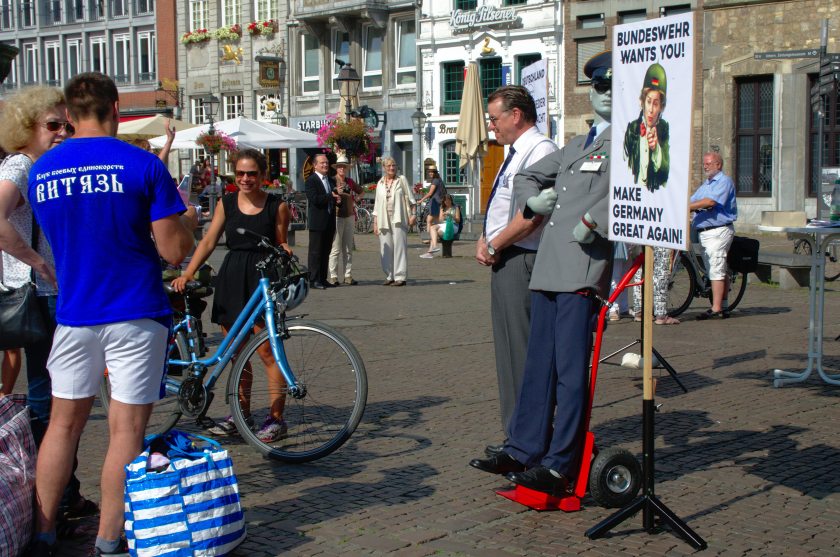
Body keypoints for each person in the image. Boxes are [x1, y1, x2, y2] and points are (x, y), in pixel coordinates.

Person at [27, 72, 197, 557]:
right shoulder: (142, 165)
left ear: (69, 113)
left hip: (75, 311)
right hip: (134, 310)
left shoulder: (44, 170)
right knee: (125, 430)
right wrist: (185, 223)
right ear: (115, 108)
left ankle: (42, 532)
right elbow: (171, 252)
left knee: (63, 425)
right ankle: (107, 538)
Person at [469, 51, 614, 496]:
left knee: (570, 372)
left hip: (581, 269)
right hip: (550, 267)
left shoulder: (630, 145)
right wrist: (531, 203)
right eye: (596, 87)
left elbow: (639, 195)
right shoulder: (579, 144)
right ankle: (523, 447)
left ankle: (559, 463)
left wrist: (595, 222)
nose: (601, 95)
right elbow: (529, 176)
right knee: (537, 367)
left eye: (609, 88)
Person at [0, 86, 99, 532]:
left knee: (61, 393)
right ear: (27, 128)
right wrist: (38, 262)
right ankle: (53, 501)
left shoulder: (43, 167)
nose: (62, 132)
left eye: (66, 125)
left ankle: (64, 493)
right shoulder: (20, 165)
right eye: (52, 125)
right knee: (50, 396)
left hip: (50, 293)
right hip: (39, 295)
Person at [172, 148, 291, 440]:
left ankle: (276, 419)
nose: (246, 179)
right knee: (237, 354)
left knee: (267, 351)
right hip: (233, 275)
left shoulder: (277, 206)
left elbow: (282, 242)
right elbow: (209, 240)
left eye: (252, 173)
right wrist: (188, 272)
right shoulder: (227, 203)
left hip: (262, 277)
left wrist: (286, 252)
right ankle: (241, 415)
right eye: (240, 173)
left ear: (263, 175)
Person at [474, 85, 559, 456]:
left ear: (516, 116)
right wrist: (483, 237)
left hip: (523, 259)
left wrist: (495, 243)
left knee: (522, 355)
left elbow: (533, 217)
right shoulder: (514, 153)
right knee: (508, 354)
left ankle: (528, 441)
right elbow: (502, 205)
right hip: (507, 257)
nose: (491, 126)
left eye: (495, 118)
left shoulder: (541, 151)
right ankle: (517, 436)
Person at [689, 151, 737, 319]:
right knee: (714, 268)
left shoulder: (724, 181)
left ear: (718, 164)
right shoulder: (706, 184)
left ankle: (716, 308)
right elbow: (693, 200)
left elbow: (710, 202)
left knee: (716, 267)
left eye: (709, 163)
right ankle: (723, 306)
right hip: (704, 232)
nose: (705, 166)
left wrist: (688, 207)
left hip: (718, 231)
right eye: (704, 163)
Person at [623, 63, 670, 193]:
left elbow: (665, 173)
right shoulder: (632, 128)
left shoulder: (664, 129)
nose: (650, 110)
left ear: (661, 107)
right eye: (648, 102)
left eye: (656, 104)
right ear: (642, 102)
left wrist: (656, 149)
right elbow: (625, 165)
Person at [372, 157, 415, 286]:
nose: (392, 168)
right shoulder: (379, 183)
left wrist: (412, 215)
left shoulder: (401, 180)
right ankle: (389, 274)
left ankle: (400, 276)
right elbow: (377, 204)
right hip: (383, 218)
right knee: (386, 248)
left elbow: (411, 199)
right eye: (389, 166)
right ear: (384, 168)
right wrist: (375, 223)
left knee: (400, 247)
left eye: (394, 165)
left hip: (399, 217)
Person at [305, 153, 341, 289]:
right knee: (316, 252)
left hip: (329, 221)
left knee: (326, 251)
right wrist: (330, 197)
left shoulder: (331, 181)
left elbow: (333, 199)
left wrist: (338, 201)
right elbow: (315, 199)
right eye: (322, 163)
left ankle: (323, 278)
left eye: (326, 163)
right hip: (317, 222)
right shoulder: (311, 180)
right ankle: (313, 280)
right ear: (315, 165)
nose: (325, 165)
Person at [328, 153, 362, 286]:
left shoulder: (350, 181)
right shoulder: (332, 181)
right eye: (340, 167)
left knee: (348, 248)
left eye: (344, 167)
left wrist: (357, 199)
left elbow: (361, 191)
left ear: (347, 169)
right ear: (337, 168)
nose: (342, 169)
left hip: (349, 215)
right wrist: (336, 192)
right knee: (335, 248)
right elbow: (328, 194)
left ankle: (348, 275)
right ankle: (334, 276)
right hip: (337, 216)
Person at [421, 194, 462, 259]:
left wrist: (451, 215)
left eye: (448, 201)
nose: (447, 202)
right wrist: (442, 216)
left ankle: (430, 253)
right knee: (432, 227)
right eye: (445, 201)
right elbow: (440, 220)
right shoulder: (442, 207)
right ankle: (434, 247)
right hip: (444, 224)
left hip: (453, 225)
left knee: (435, 233)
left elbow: (458, 220)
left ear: (451, 200)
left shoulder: (455, 207)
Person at [417, 165, 445, 247]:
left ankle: (429, 238)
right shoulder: (439, 180)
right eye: (429, 172)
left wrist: (421, 200)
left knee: (429, 221)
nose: (430, 173)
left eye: (432, 172)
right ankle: (436, 237)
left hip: (435, 203)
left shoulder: (435, 181)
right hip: (439, 202)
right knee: (436, 222)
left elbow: (430, 193)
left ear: (435, 172)